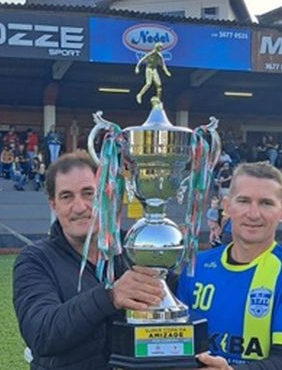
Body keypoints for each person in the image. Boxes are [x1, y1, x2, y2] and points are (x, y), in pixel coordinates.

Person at [12, 151, 167, 370]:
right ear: (53, 205)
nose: (79, 207)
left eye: (88, 193)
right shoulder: (35, 260)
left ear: (105, 196)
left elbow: (180, 297)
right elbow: (42, 334)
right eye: (67, 196)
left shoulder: (133, 247)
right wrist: (110, 296)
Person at [176, 162, 282, 369]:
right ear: (227, 207)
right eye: (244, 201)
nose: (253, 214)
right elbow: (177, 342)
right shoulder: (196, 265)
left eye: (266, 203)